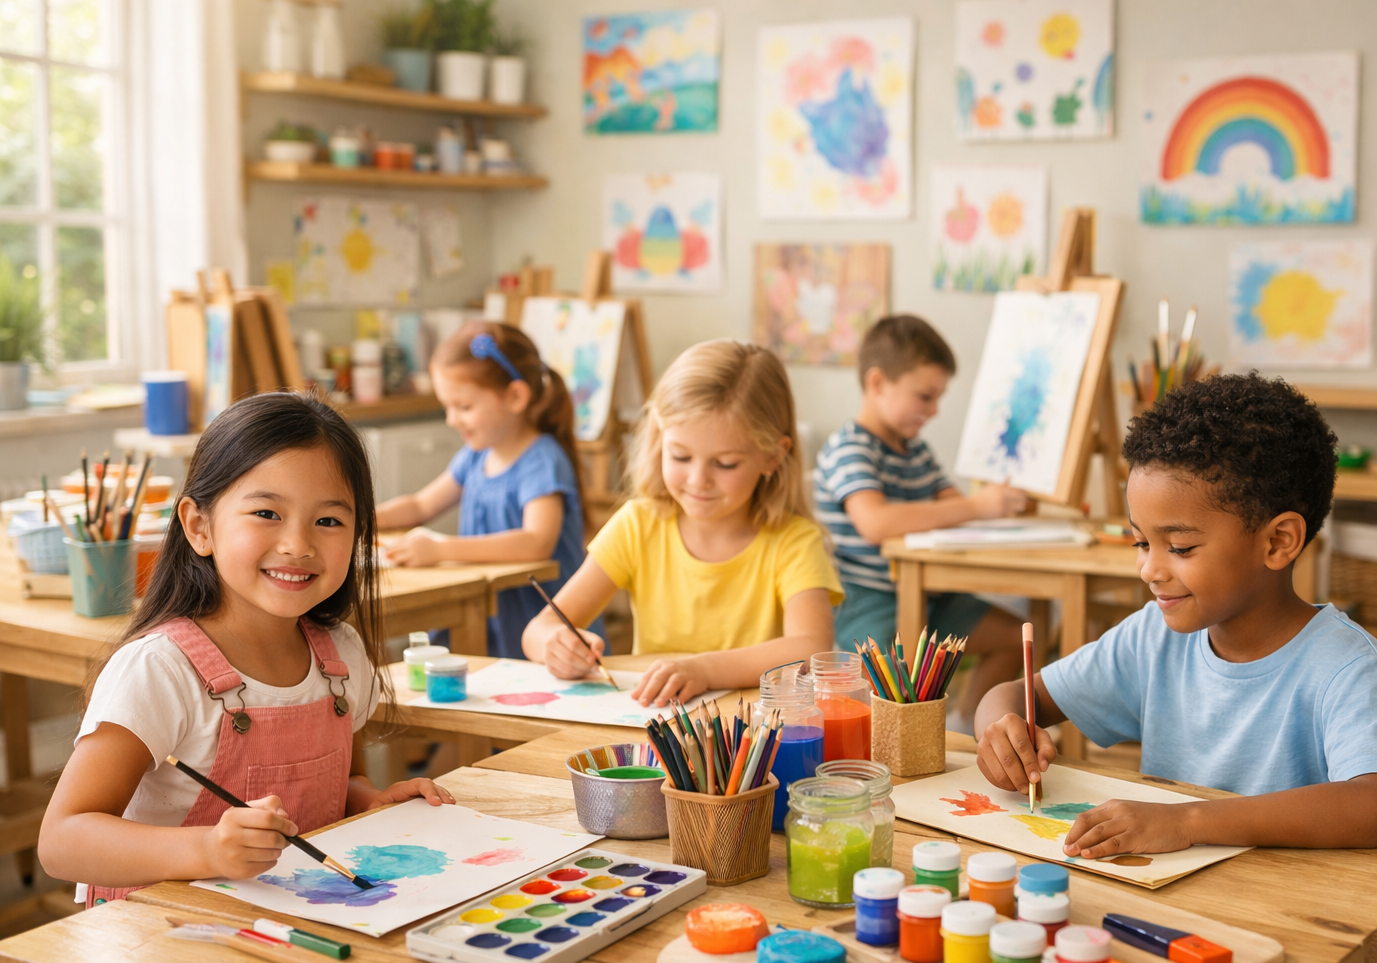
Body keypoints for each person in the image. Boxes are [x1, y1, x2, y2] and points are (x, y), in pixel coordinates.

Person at [974, 374, 1377, 963]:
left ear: (1278, 541)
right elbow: (1019, 694)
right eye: (1142, 542)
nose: (1150, 568)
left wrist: (1184, 822)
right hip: (1201, 928)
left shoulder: (1348, 665)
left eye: (1180, 547)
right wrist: (999, 726)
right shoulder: (1154, 637)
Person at [40, 393, 451, 901]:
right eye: (266, 513)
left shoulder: (341, 657)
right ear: (199, 527)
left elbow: (341, 782)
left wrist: (370, 802)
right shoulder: (159, 669)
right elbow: (61, 841)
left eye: (328, 521)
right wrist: (207, 849)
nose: (298, 544)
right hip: (160, 933)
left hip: (288, 922)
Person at [522, 340, 841, 706]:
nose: (698, 480)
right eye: (680, 456)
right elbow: (539, 629)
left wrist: (704, 669)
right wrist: (555, 645)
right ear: (660, 439)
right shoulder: (638, 526)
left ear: (773, 456)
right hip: (656, 726)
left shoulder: (795, 541)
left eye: (725, 463)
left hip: (753, 733)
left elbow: (810, 647)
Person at [814, 314, 1031, 725]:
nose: (933, 410)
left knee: (1014, 639)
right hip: (868, 598)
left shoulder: (916, 451)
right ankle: (913, 740)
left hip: (929, 595)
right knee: (899, 693)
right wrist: (977, 506)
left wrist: (996, 499)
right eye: (925, 396)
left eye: (938, 398)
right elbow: (875, 523)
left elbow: (954, 504)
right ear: (878, 383)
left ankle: (968, 732)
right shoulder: (849, 448)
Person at [376, 321, 593, 658]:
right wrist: (363, 518)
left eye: (464, 407)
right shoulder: (476, 456)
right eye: (447, 407)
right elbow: (420, 506)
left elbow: (536, 542)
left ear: (515, 397)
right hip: (485, 616)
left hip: (540, 630)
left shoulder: (542, 460)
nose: (451, 420)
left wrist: (441, 549)